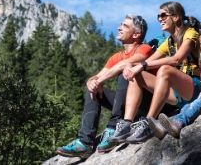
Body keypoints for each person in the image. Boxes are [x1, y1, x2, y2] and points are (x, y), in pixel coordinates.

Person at [55, 15, 153, 159]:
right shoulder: (116, 56)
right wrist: (92, 82)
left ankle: (113, 128)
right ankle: (85, 142)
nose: (119, 28)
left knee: (126, 71)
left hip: (143, 105)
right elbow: (98, 76)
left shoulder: (144, 49)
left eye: (125, 26)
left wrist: (99, 80)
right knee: (92, 89)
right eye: (121, 24)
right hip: (127, 104)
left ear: (136, 34)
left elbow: (123, 65)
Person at [120, 1, 201, 144]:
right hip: (178, 94)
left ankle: (149, 122)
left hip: (195, 87)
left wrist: (142, 64)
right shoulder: (169, 41)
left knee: (165, 69)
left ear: (176, 17)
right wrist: (130, 65)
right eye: (158, 16)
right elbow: (148, 63)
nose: (159, 19)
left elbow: (177, 59)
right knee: (136, 74)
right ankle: (127, 123)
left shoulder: (190, 33)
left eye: (163, 15)